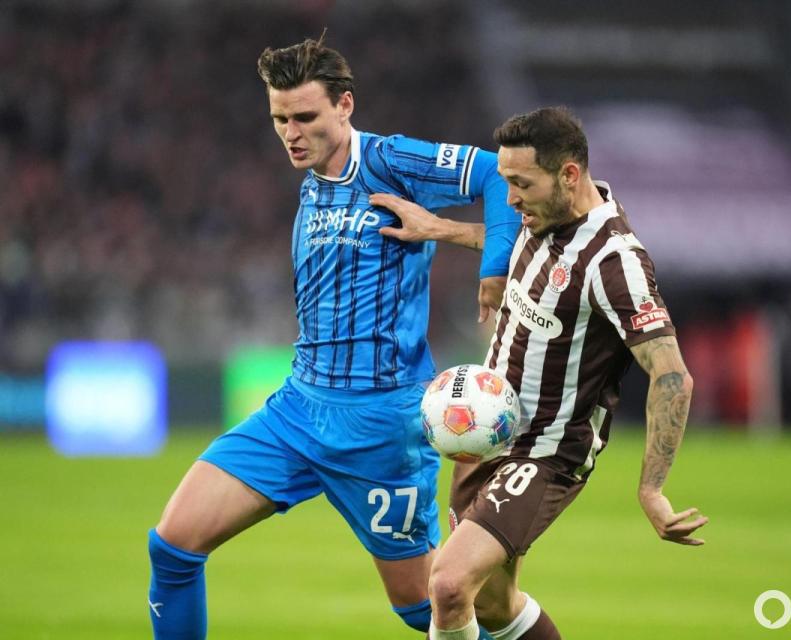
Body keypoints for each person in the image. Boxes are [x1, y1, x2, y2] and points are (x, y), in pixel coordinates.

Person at [146, 34, 519, 638]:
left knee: (427, 606)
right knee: (173, 547)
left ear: (345, 105)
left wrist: (494, 267)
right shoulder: (314, 181)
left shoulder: (390, 161)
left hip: (380, 425)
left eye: (305, 117)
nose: (291, 133)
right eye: (280, 119)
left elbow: (498, 175)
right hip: (297, 410)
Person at [376, 106, 708, 640]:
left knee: (448, 585)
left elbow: (672, 376)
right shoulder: (546, 218)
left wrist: (652, 488)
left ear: (569, 175)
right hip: (485, 436)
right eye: (506, 181)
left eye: (521, 184)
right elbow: (517, 248)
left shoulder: (615, 261)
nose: (510, 199)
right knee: (493, 605)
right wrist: (439, 229)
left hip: (544, 453)